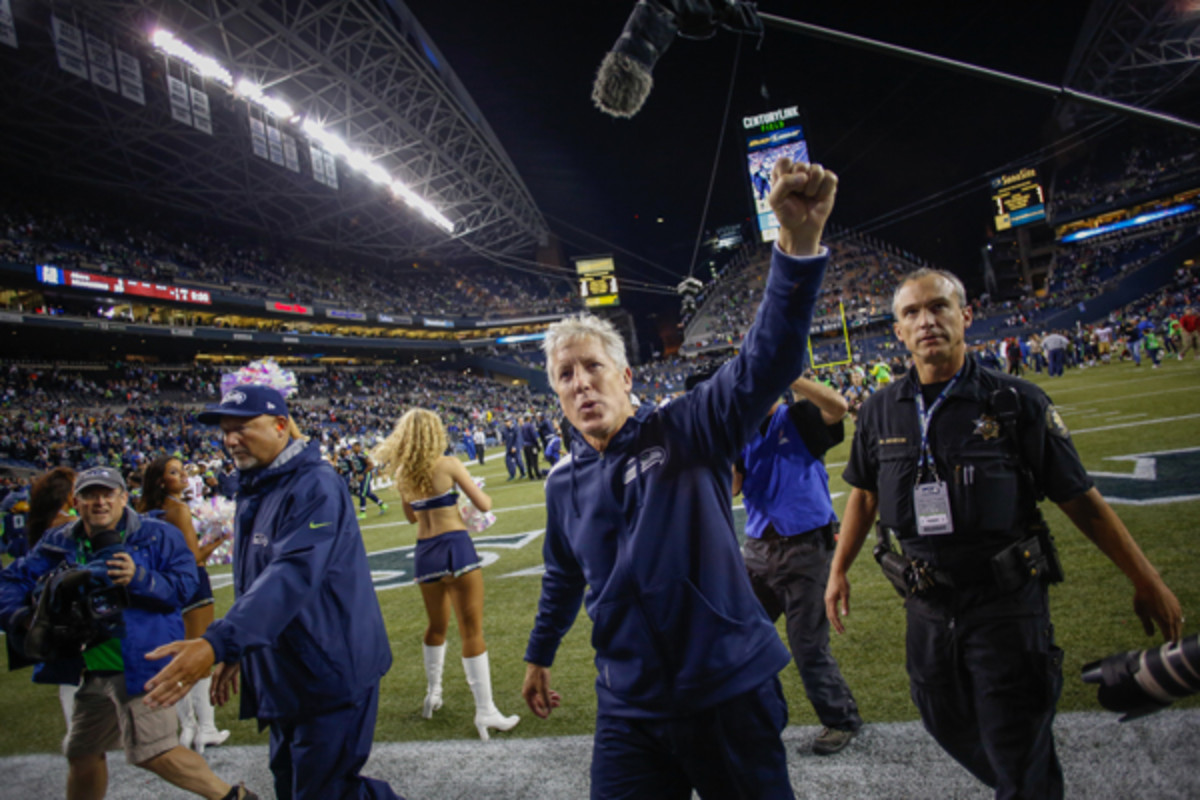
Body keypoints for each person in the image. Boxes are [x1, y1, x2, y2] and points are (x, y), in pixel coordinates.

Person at [522, 158, 836, 799]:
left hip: (725, 691)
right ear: (556, 393)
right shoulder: (562, 483)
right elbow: (562, 574)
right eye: (566, 376)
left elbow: (767, 360)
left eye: (592, 367)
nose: (581, 383)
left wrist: (798, 247)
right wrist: (539, 653)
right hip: (627, 706)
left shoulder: (688, 429)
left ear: (625, 375)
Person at [824, 268, 1183, 800]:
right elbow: (866, 494)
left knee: (1015, 733)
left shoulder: (1016, 402)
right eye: (912, 313)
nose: (927, 321)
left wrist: (1144, 577)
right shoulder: (879, 410)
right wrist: (838, 570)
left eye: (939, 307)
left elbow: (1080, 499)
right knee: (940, 716)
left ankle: (1026, 784)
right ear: (897, 331)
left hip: (1005, 602)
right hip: (925, 603)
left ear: (965, 316)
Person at [141, 385, 401, 800]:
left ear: (281, 426)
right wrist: (240, 649)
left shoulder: (316, 484)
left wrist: (218, 642)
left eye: (242, 427)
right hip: (286, 673)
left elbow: (293, 573)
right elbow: (256, 583)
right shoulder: (256, 485)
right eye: (225, 430)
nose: (229, 439)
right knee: (294, 788)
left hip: (329, 669)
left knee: (326, 793)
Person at [0, 467, 256, 800]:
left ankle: (234, 797)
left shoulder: (156, 535)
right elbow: (11, 581)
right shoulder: (61, 540)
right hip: (91, 664)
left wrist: (140, 578)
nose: (100, 502)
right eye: (90, 495)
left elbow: (183, 588)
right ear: (77, 501)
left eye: (108, 494)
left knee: (153, 750)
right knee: (82, 751)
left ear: (124, 498)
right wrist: (21, 617)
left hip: (141, 661)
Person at [732, 375, 863, 756]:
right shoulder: (739, 432)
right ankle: (754, 718)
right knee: (738, 635)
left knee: (807, 645)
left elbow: (838, 407)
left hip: (806, 547)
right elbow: (732, 486)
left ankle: (841, 718)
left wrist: (790, 374)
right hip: (757, 550)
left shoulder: (798, 418)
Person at [372, 408, 520, 741]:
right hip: (455, 547)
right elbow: (483, 504)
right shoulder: (449, 464)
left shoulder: (403, 475)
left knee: (436, 627)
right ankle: (485, 711)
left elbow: (411, 517)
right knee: (471, 630)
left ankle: (433, 693)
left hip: (424, 554)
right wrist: (470, 495)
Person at [139, 455, 232, 754]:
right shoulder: (178, 509)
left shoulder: (142, 510)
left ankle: (187, 727)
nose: (182, 476)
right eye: (174, 472)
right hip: (192, 587)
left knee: (176, 656)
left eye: (181, 471)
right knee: (199, 656)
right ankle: (207, 728)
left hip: (164, 588)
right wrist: (220, 538)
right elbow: (193, 558)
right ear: (160, 480)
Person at [23, 466, 80, 731]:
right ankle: (78, 736)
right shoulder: (67, 524)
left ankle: (76, 733)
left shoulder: (44, 522)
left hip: (50, 601)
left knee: (68, 676)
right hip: (70, 603)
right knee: (78, 675)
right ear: (67, 494)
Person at [351, 441, 388, 519]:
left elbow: (371, 465)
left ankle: (362, 513)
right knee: (367, 493)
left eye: (354, 447)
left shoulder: (363, 454)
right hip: (361, 475)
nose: (352, 448)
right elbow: (357, 466)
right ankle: (382, 505)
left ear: (358, 447)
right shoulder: (354, 456)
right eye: (352, 447)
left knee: (362, 494)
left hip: (366, 475)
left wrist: (362, 474)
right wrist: (355, 475)